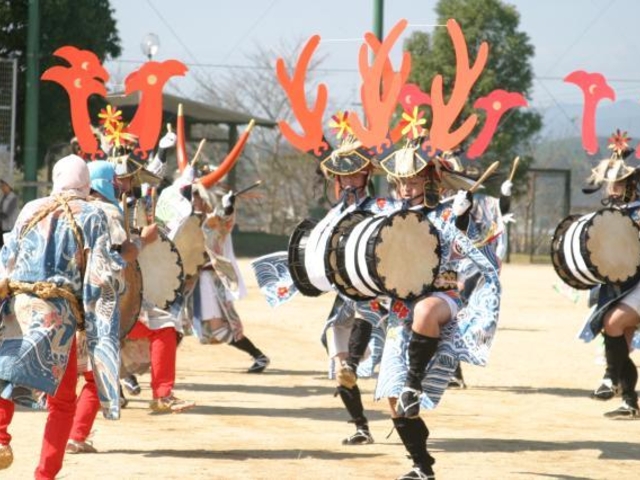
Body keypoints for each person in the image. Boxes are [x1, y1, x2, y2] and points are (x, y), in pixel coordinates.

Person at [373, 140, 501, 480]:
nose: (406, 187)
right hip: (401, 308)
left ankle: (415, 383)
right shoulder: (391, 216)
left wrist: (461, 219)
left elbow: (468, 249)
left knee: (426, 311)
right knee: (393, 400)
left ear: (430, 181)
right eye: (402, 182)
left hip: (442, 295)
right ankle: (422, 466)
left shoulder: (448, 211)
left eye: (413, 181)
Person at [0, 155, 120, 478]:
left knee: (5, 373)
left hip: (21, 305)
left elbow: (6, 260)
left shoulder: (29, 209)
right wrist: (98, 331)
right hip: (60, 316)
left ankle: (0, 437)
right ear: (87, 185)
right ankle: (45, 474)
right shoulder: (93, 216)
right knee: (63, 401)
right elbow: (100, 279)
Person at [66, 161, 157, 454]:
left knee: (63, 378)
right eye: (117, 182)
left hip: (59, 305)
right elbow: (122, 255)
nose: (122, 187)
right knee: (96, 376)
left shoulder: (55, 210)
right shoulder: (107, 213)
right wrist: (143, 241)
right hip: (96, 306)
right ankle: (76, 436)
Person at [315, 138, 394, 446]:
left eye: (354, 174)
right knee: (338, 362)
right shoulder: (334, 214)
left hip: (378, 293)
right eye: (343, 175)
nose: (348, 180)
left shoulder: (383, 208)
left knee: (390, 369)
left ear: (366, 176)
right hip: (345, 294)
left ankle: (403, 420)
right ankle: (361, 426)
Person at [578, 134, 640, 418]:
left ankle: (610, 377)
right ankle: (629, 401)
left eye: (619, 184)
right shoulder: (610, 214)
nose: (613, 189)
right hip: (622, 285)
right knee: (621, 338)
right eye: (611, 184)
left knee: (612, 322)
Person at [189, 175, 270, 373]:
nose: (193, 200)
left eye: (196, 196)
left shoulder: (211, 221)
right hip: (193, 282)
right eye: (191, 196)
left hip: (208, 280)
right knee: (183, 324)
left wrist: (228, 209)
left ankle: (259, 355)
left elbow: (223, 226)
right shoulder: (190, 219)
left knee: (216, 328)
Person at [0, 179, 19, 249]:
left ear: (9, 186)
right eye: (1, 186)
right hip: (3, 227)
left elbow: (7, 213)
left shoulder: (13, 198)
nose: (2, 188)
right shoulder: (3, 198)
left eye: (3, 186)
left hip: (10, 227)